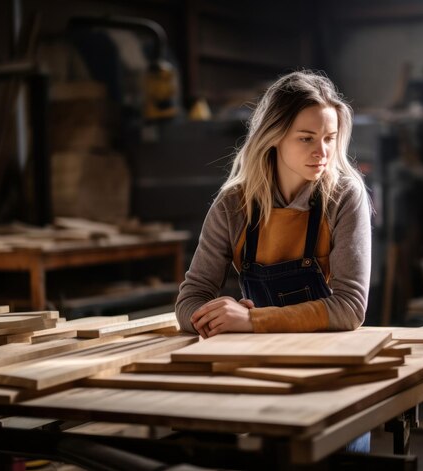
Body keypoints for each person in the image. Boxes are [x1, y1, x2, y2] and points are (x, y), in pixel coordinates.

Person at [175, 70, 372, 452]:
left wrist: (251, 320)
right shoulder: (233, 205)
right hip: (260, 370)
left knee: (338, 454)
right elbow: (189, 300)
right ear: (274, 137)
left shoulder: (345, 196)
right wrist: (215, 313)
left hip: (331, 371)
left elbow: (350, 308)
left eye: (330, 139)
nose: (323, 152)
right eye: (306, 138)